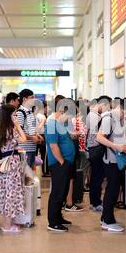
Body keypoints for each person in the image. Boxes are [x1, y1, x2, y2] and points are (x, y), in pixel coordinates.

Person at [96, 99, 126, 232]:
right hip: (111, 160)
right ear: (120, 108)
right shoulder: (109, 118)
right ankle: (108, 220)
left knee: (115, 188)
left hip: (119, 159)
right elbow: (99, 137)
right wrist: (116, 146)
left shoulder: (120, 119)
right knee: (112, 189)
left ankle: (105, 216)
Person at [46, 96, 76, 232]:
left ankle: (58, 216)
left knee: (63, 191)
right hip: (59, 163)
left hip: (66, 162)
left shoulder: (61, 122)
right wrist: (62, 162)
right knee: (57, 192)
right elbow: (53, 145)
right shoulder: (51, 123)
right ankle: (53, 222)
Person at [0, 104, 27, 233]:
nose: (16, 117)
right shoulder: (11, 129)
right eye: (14, 114)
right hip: (12, 165)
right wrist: (18, 126)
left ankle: (8, 223)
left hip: (6, 163)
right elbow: (24, 139)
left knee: (6, 191)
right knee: (11, 192)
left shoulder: (2, 129)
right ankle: (7, 225)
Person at [17, 89, 43, 169]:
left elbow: (31, 130)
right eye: (32, 98)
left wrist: (37, 135)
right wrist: (32, 138)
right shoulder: (20, 113)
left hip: (32, 149)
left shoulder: (30, 113)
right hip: (24, 150)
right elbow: (18, 133)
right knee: (25, 176)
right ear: (25, 99)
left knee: (30, 176)